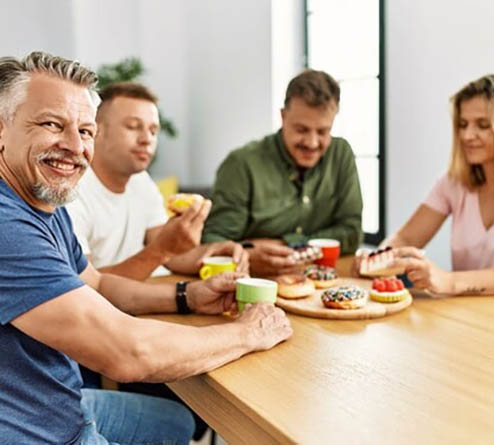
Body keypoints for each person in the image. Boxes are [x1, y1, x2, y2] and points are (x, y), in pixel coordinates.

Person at [0, 51, 292, 444]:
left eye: (85, 131)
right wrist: (248, 333)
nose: (75, 145)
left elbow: (98, 285)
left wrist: (189, 296)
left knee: (176, 423)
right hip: (40, 430)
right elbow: (126, 352)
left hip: (55, 399)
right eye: (52, 124)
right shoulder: (7, 224)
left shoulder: (44, 205)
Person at [353, 73, 494, 296]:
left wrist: (449, 281)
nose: (468, 135)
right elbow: (407, 239)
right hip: (464, 313)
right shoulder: (453, 182)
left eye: (483, 125)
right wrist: (378, 258)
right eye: (463, 124)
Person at [66, 82, 248, 281]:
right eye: (133, 127)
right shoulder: (71, 191)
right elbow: (84, 286)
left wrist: (215, 252)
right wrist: (161, 250)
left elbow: (173, 257)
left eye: (153, 131)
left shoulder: (141, 181)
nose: (147, 139)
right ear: (96, 130)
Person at [202, 69, 363, 276]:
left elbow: (351, 233)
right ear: (283, 116)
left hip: (325, 282)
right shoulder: (241, 164)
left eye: (323, 131)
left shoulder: (341, 154)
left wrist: (288, 244)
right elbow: (213, 241)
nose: (312, 143)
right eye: (302, 130)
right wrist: (249, 255)